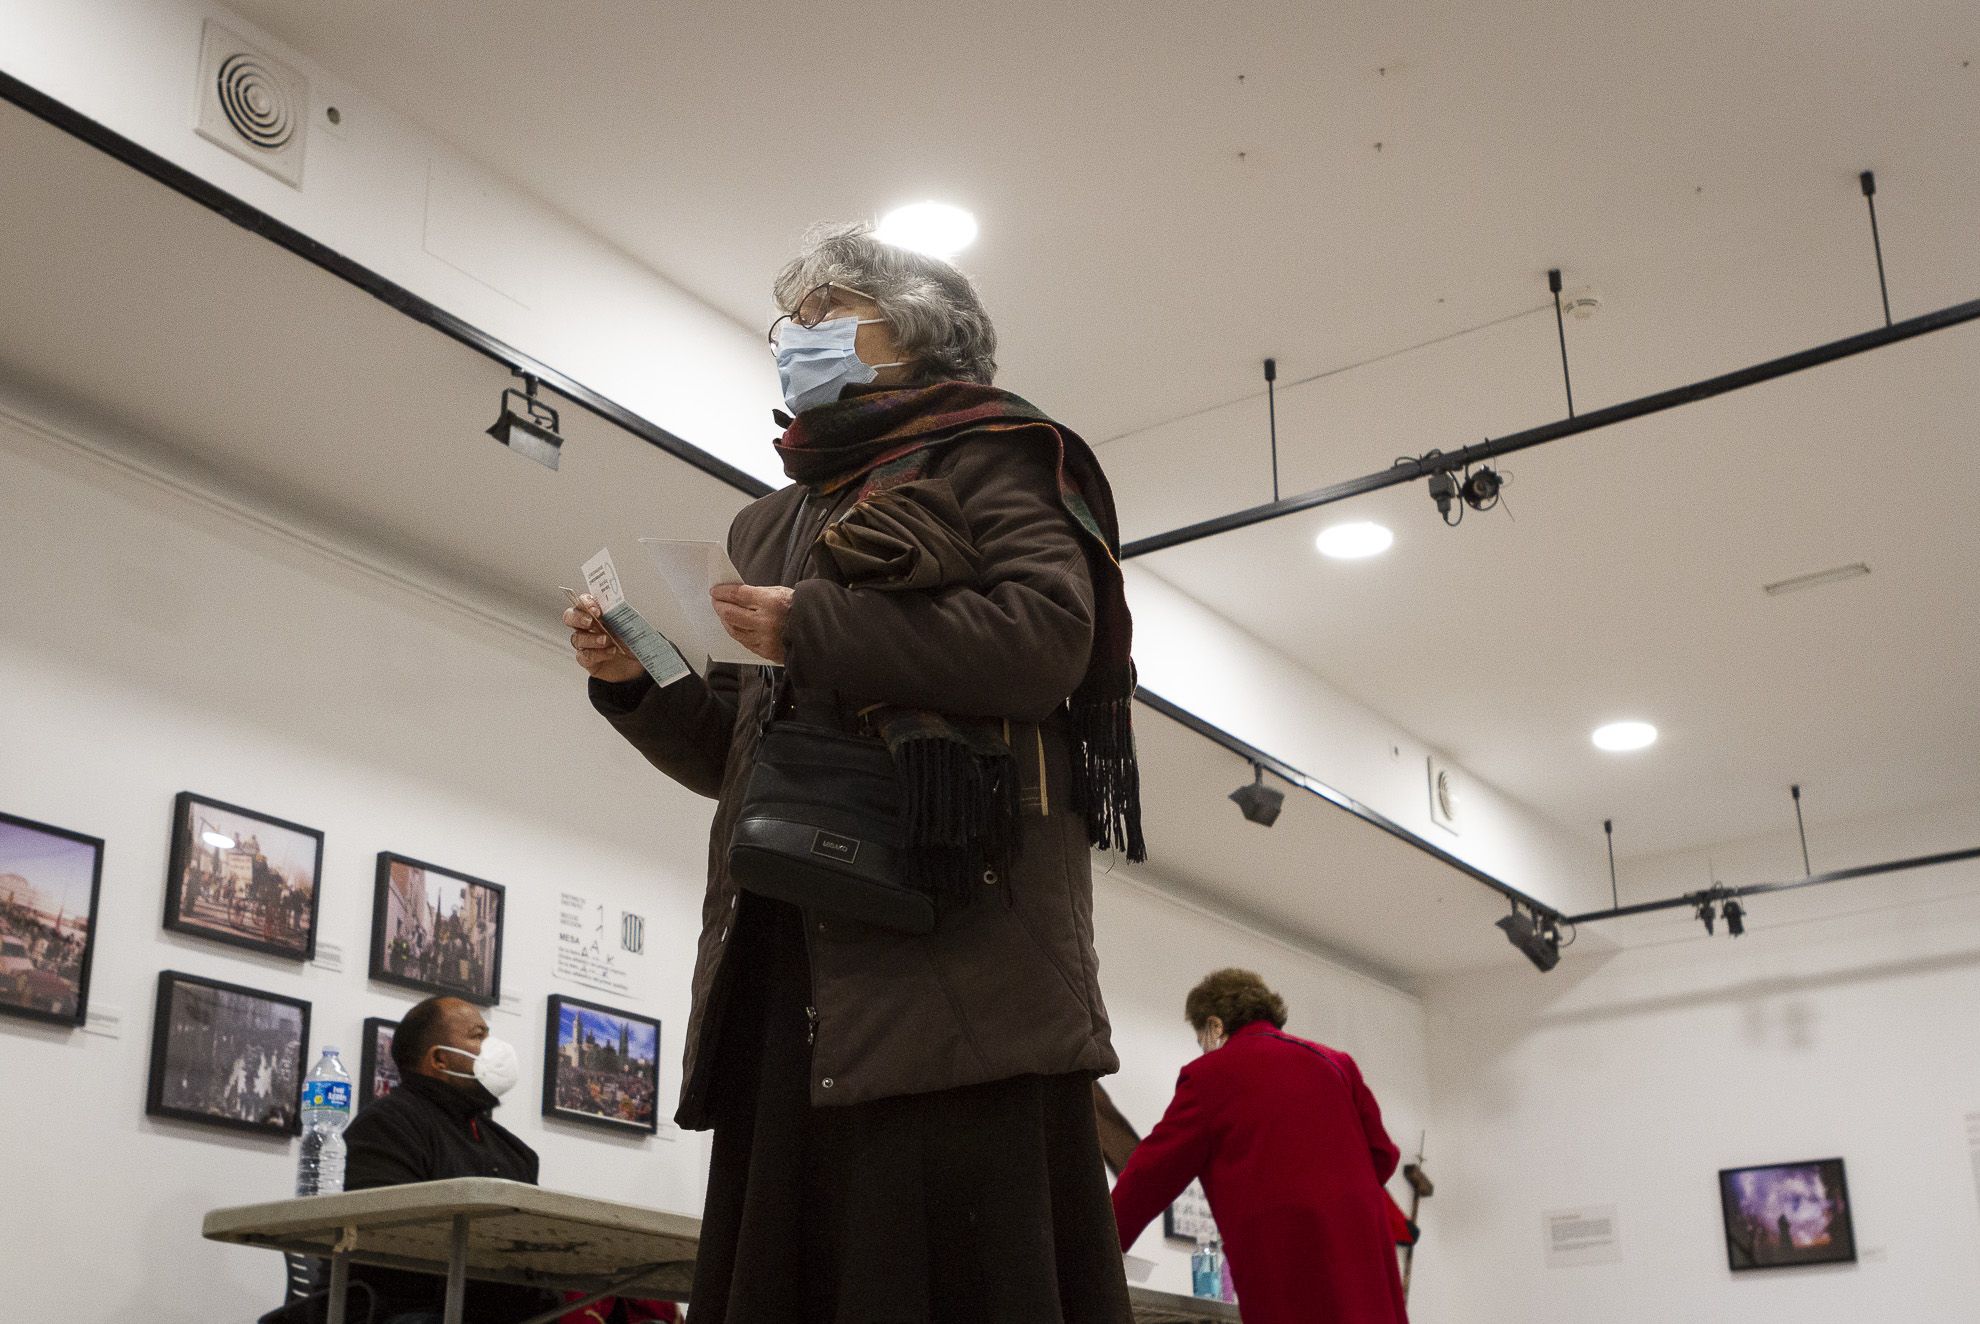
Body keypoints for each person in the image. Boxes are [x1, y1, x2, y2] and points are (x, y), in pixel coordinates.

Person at [563, 220, 1146, 1323]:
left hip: (953, 961)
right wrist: (640, 681)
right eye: (790, 318)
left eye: (827, 313)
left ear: (915, 334)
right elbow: (753, 755)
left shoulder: (999, 453)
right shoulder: (772, 518)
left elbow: (1045, 639)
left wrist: (814, 626)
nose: (796, 334)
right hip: (792, 963)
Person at [1109, 969, 1409, 1324]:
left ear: (1215, 1025)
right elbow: (1383, 1156)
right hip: (1363, 1252)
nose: (1202, 1047)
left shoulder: (1209, 1076)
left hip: (1288, 1252)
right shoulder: (1337, 1064)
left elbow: (1150, 1175)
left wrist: (1098, 1247)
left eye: (1200, 1037)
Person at [340, 995, 557, 1324]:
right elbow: (386, 1241)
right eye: (478, 1035)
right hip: (406, 1310)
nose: (493, 1047)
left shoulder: (514, 1151)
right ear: (439, 1059)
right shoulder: (385, 1125)